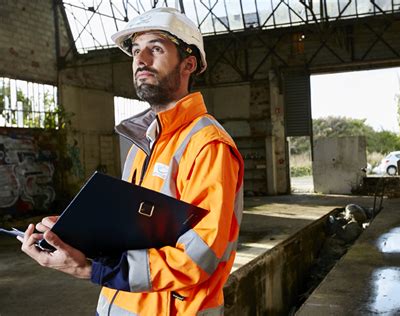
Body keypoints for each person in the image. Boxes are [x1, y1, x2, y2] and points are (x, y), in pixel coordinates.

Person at [18, 7, 244, 315]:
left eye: (155, 49)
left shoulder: (208, 145)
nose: (141, 59)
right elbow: (132, 231)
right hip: (117, 306)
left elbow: (198, 257)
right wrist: (78, 235)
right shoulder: (143, 141)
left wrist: (92, 269)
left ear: (188, 64)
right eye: (136, 51)